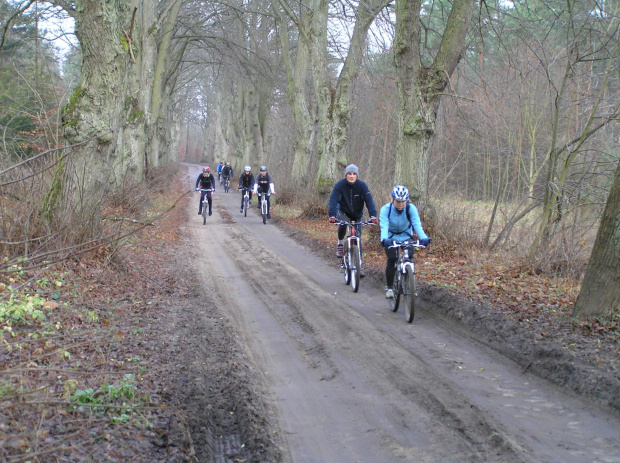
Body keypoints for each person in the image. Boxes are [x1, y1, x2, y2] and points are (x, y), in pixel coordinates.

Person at [379, 186, 431, 299]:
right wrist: (384, 239)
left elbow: (416, 224)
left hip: (406, 236)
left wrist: (424, 238)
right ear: (393, 199)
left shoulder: (410, 208)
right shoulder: (385, 209)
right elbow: (384, 226)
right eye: (398, 201)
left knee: (410, 255)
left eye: (403, 201)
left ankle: (409, 280)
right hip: (390, 237)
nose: (401, 204)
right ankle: (389, 287)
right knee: (392, 258)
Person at [328, 164, 377, 276]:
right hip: (343, 212)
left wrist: (373, 216)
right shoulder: (340, 185)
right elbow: (333, 199)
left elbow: (369, 201)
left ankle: (359, 265)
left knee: (358, 239)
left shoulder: (362, 186)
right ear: (346, 175)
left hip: (357, 214)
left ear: (357, 176)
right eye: (349, 174)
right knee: (343, 224)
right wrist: (332, 215)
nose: (351, 176)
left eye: (354, 174)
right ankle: (340, 244)